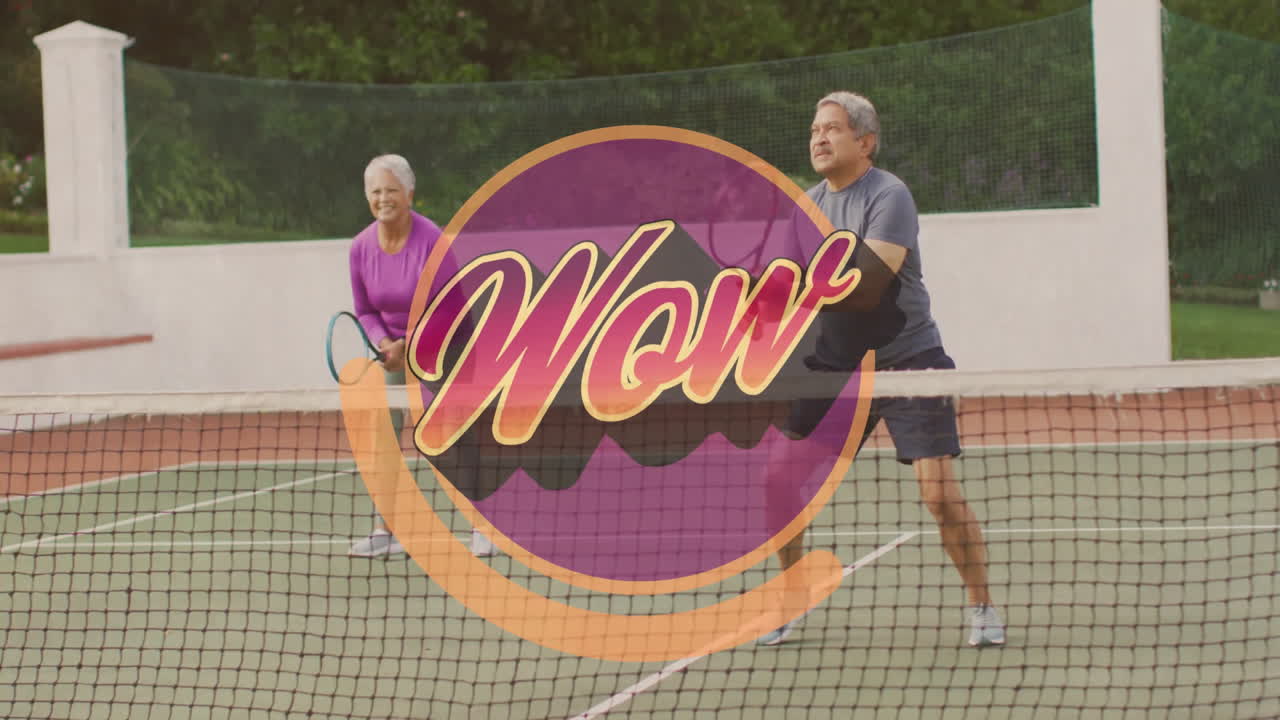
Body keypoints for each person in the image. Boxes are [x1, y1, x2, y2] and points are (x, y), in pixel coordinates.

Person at [755, 92, 1005, 648]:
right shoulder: (806, 206)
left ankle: (982, 606)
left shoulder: (889, 195)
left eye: (832, 129)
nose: (819, 138)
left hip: (908, 362)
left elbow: (869, 280)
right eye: (814, 130)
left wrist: (792, 289)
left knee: (938, 496)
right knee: (778, 480)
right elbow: (785, 285)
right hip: (838, 367)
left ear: (865, 142)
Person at [346, 153, 497, 560]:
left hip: (448, 343)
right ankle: (385, 530)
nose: (383, 198)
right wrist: (384, 343)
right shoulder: (360, 248)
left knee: (452, 433)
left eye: (391, 190)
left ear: (409, 194)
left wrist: (408, 345)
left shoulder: (433, 241)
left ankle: (482, 527)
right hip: (394, 349)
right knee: (385, 432)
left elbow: (449, 309)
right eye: (375, 191)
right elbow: (365, 310)